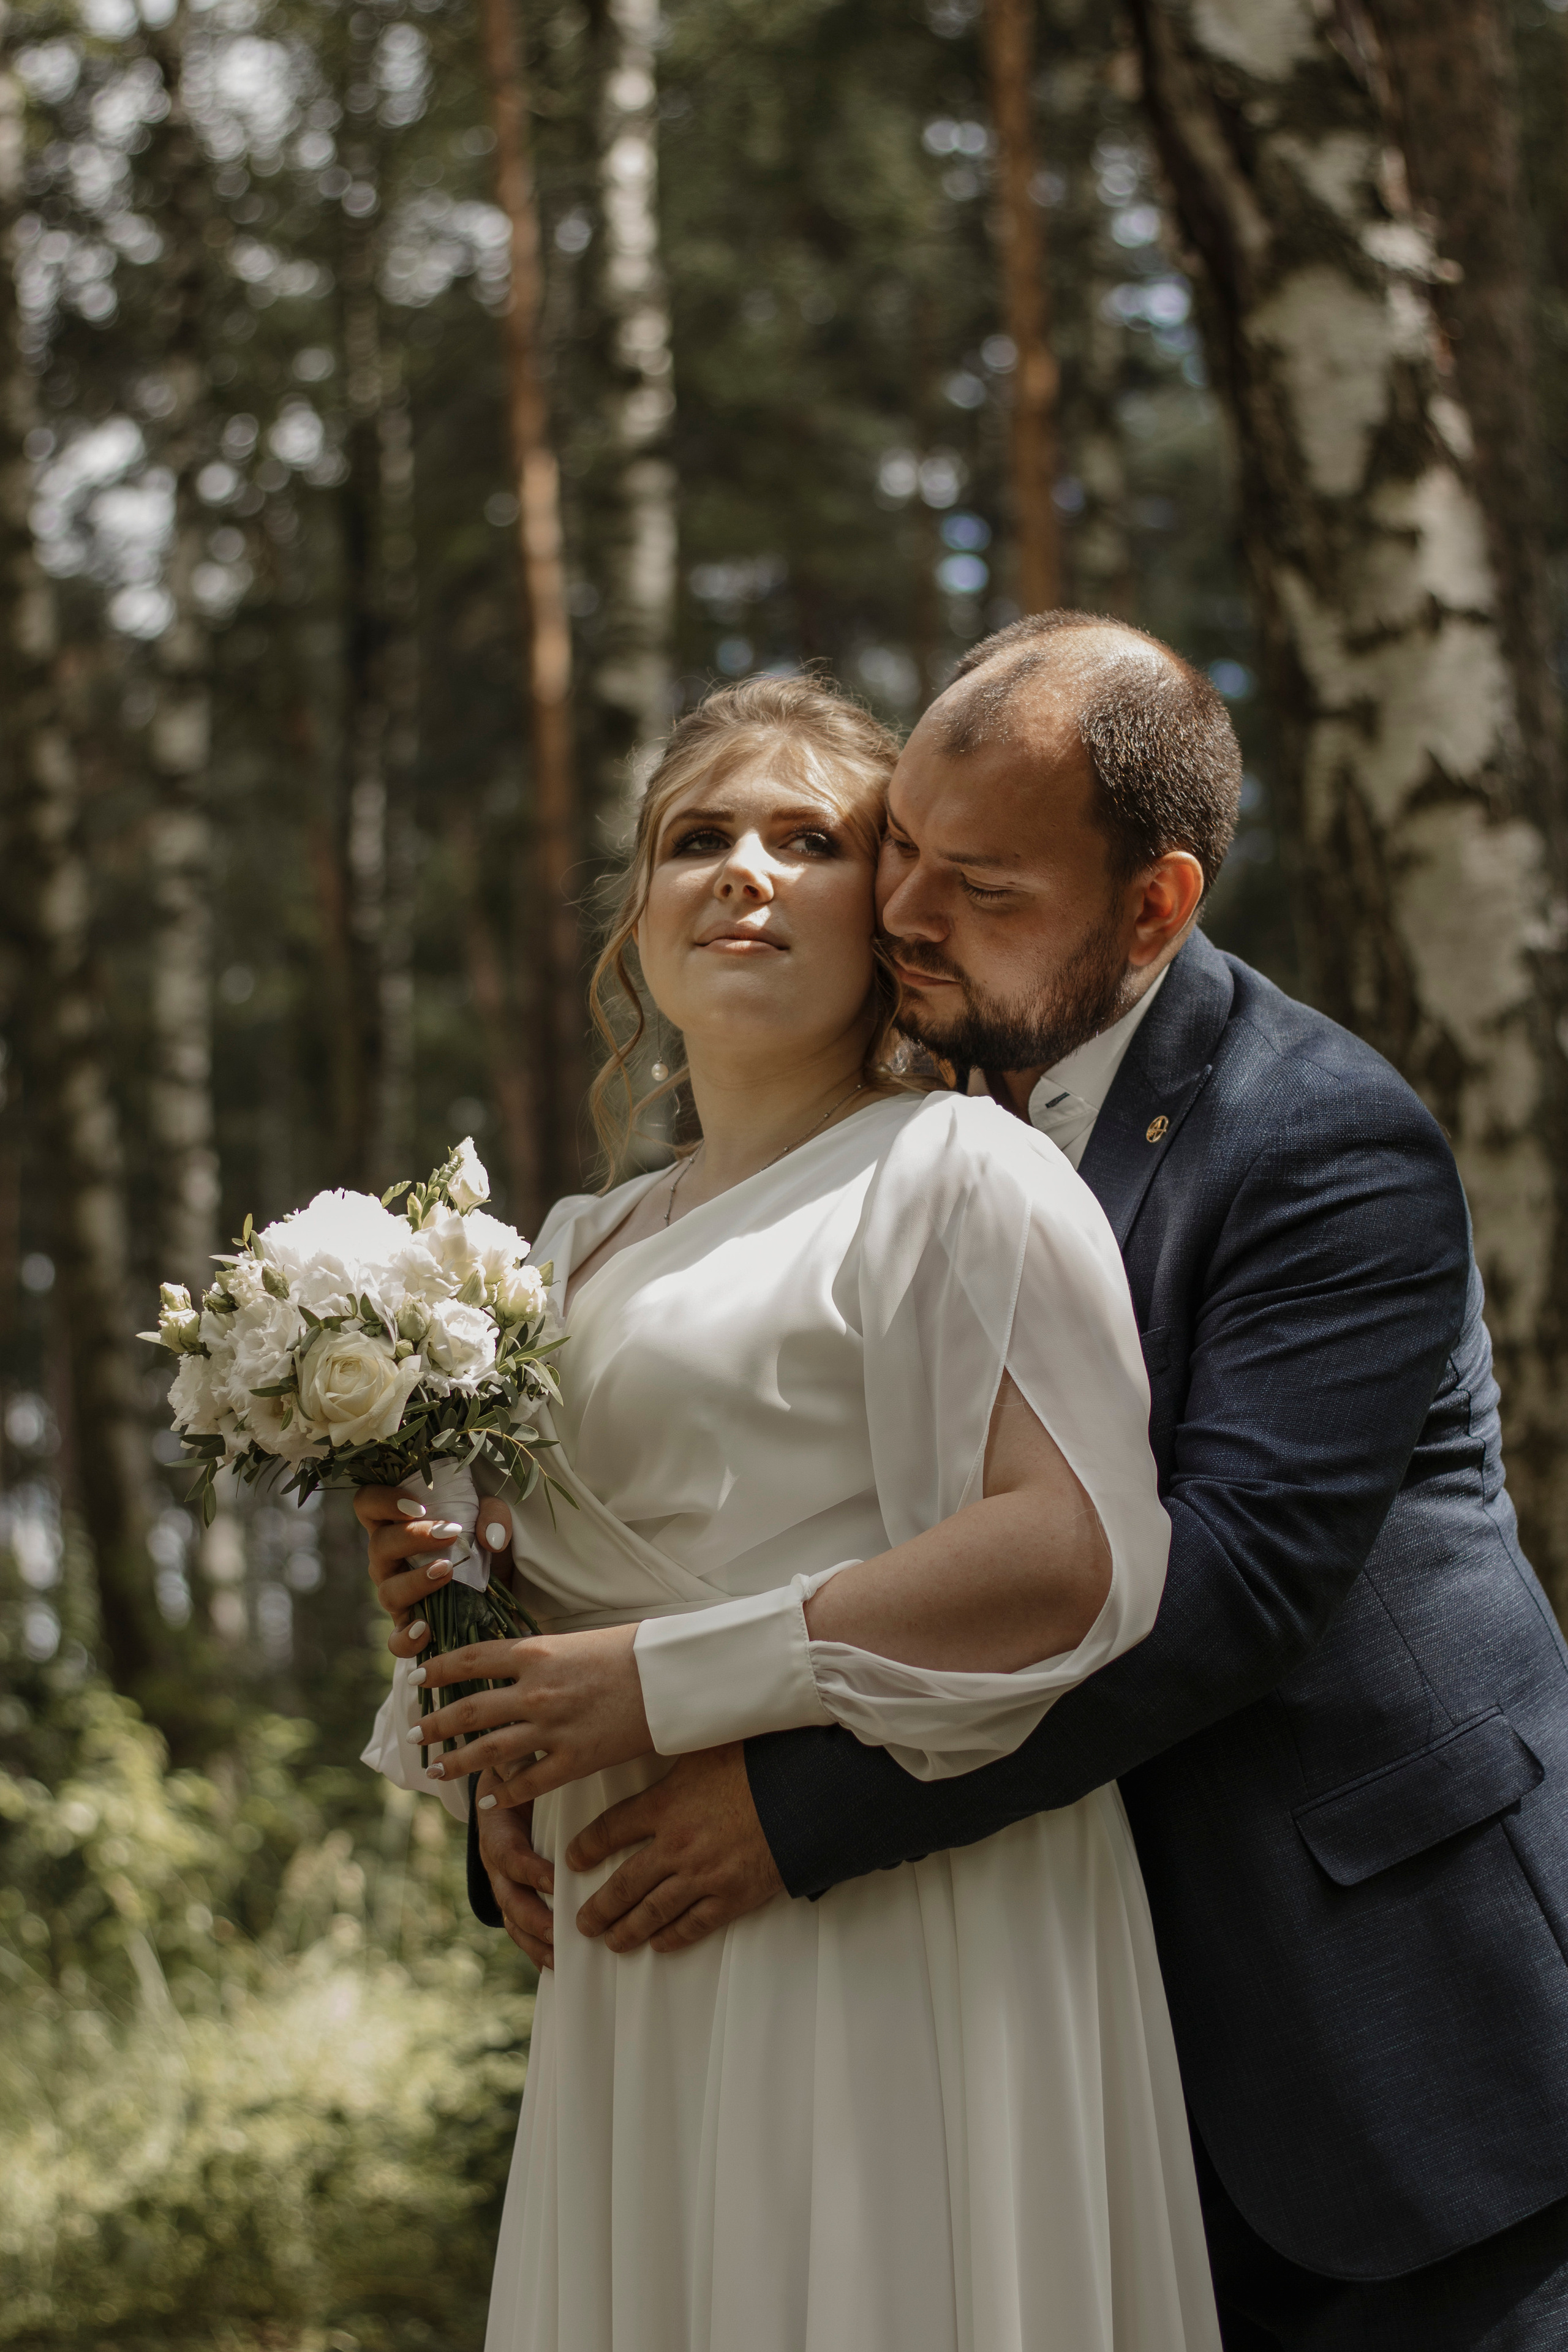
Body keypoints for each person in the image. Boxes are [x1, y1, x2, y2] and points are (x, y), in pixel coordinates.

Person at [468, 613, 1568, 2351]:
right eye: (904, 852)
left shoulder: (1316, 1143)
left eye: (979, 886)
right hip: (1004, 1974)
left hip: (1376, 2001)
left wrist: (783, 1807)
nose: (908, 917)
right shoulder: (904, 1093)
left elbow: (1220, 1599)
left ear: (1155, 906)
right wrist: (525, 1772)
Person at [360, 671, 1223, 2351]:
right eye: (699, 839)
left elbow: (1073, 1555)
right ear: (638, 921)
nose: (744, 870)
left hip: (898, 1904)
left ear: (889, 910)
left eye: (808, 839)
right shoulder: (563, 1247)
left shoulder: (962, 1172)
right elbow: (555, 1587)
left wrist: (654, 1683)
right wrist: (492, 1735)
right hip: (639, 1926)